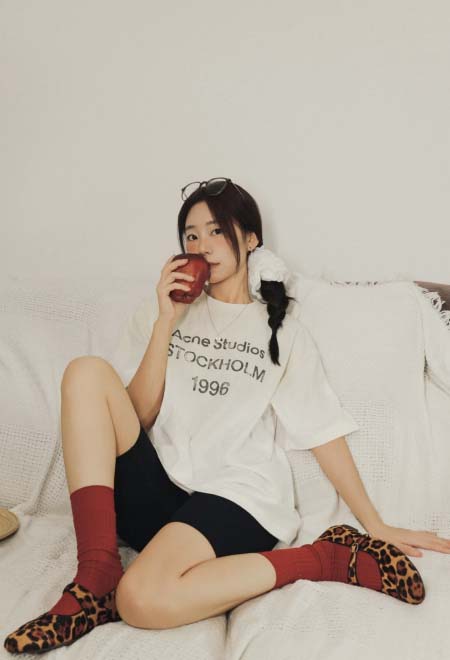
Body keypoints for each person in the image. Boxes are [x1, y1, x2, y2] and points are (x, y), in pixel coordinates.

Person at [5, 177, 448, 655]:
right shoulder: (161, 314)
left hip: (235, 496)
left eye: (216, 231)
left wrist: (374, 522)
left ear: (251, 238)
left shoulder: (280, 330)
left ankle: (325, 557)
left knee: (139, 599)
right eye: (191, 235)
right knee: (85, 372)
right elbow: (134, 418)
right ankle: (95, 575)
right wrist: (165, 324)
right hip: (157, 493)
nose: (202, 245)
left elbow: (322, 430)